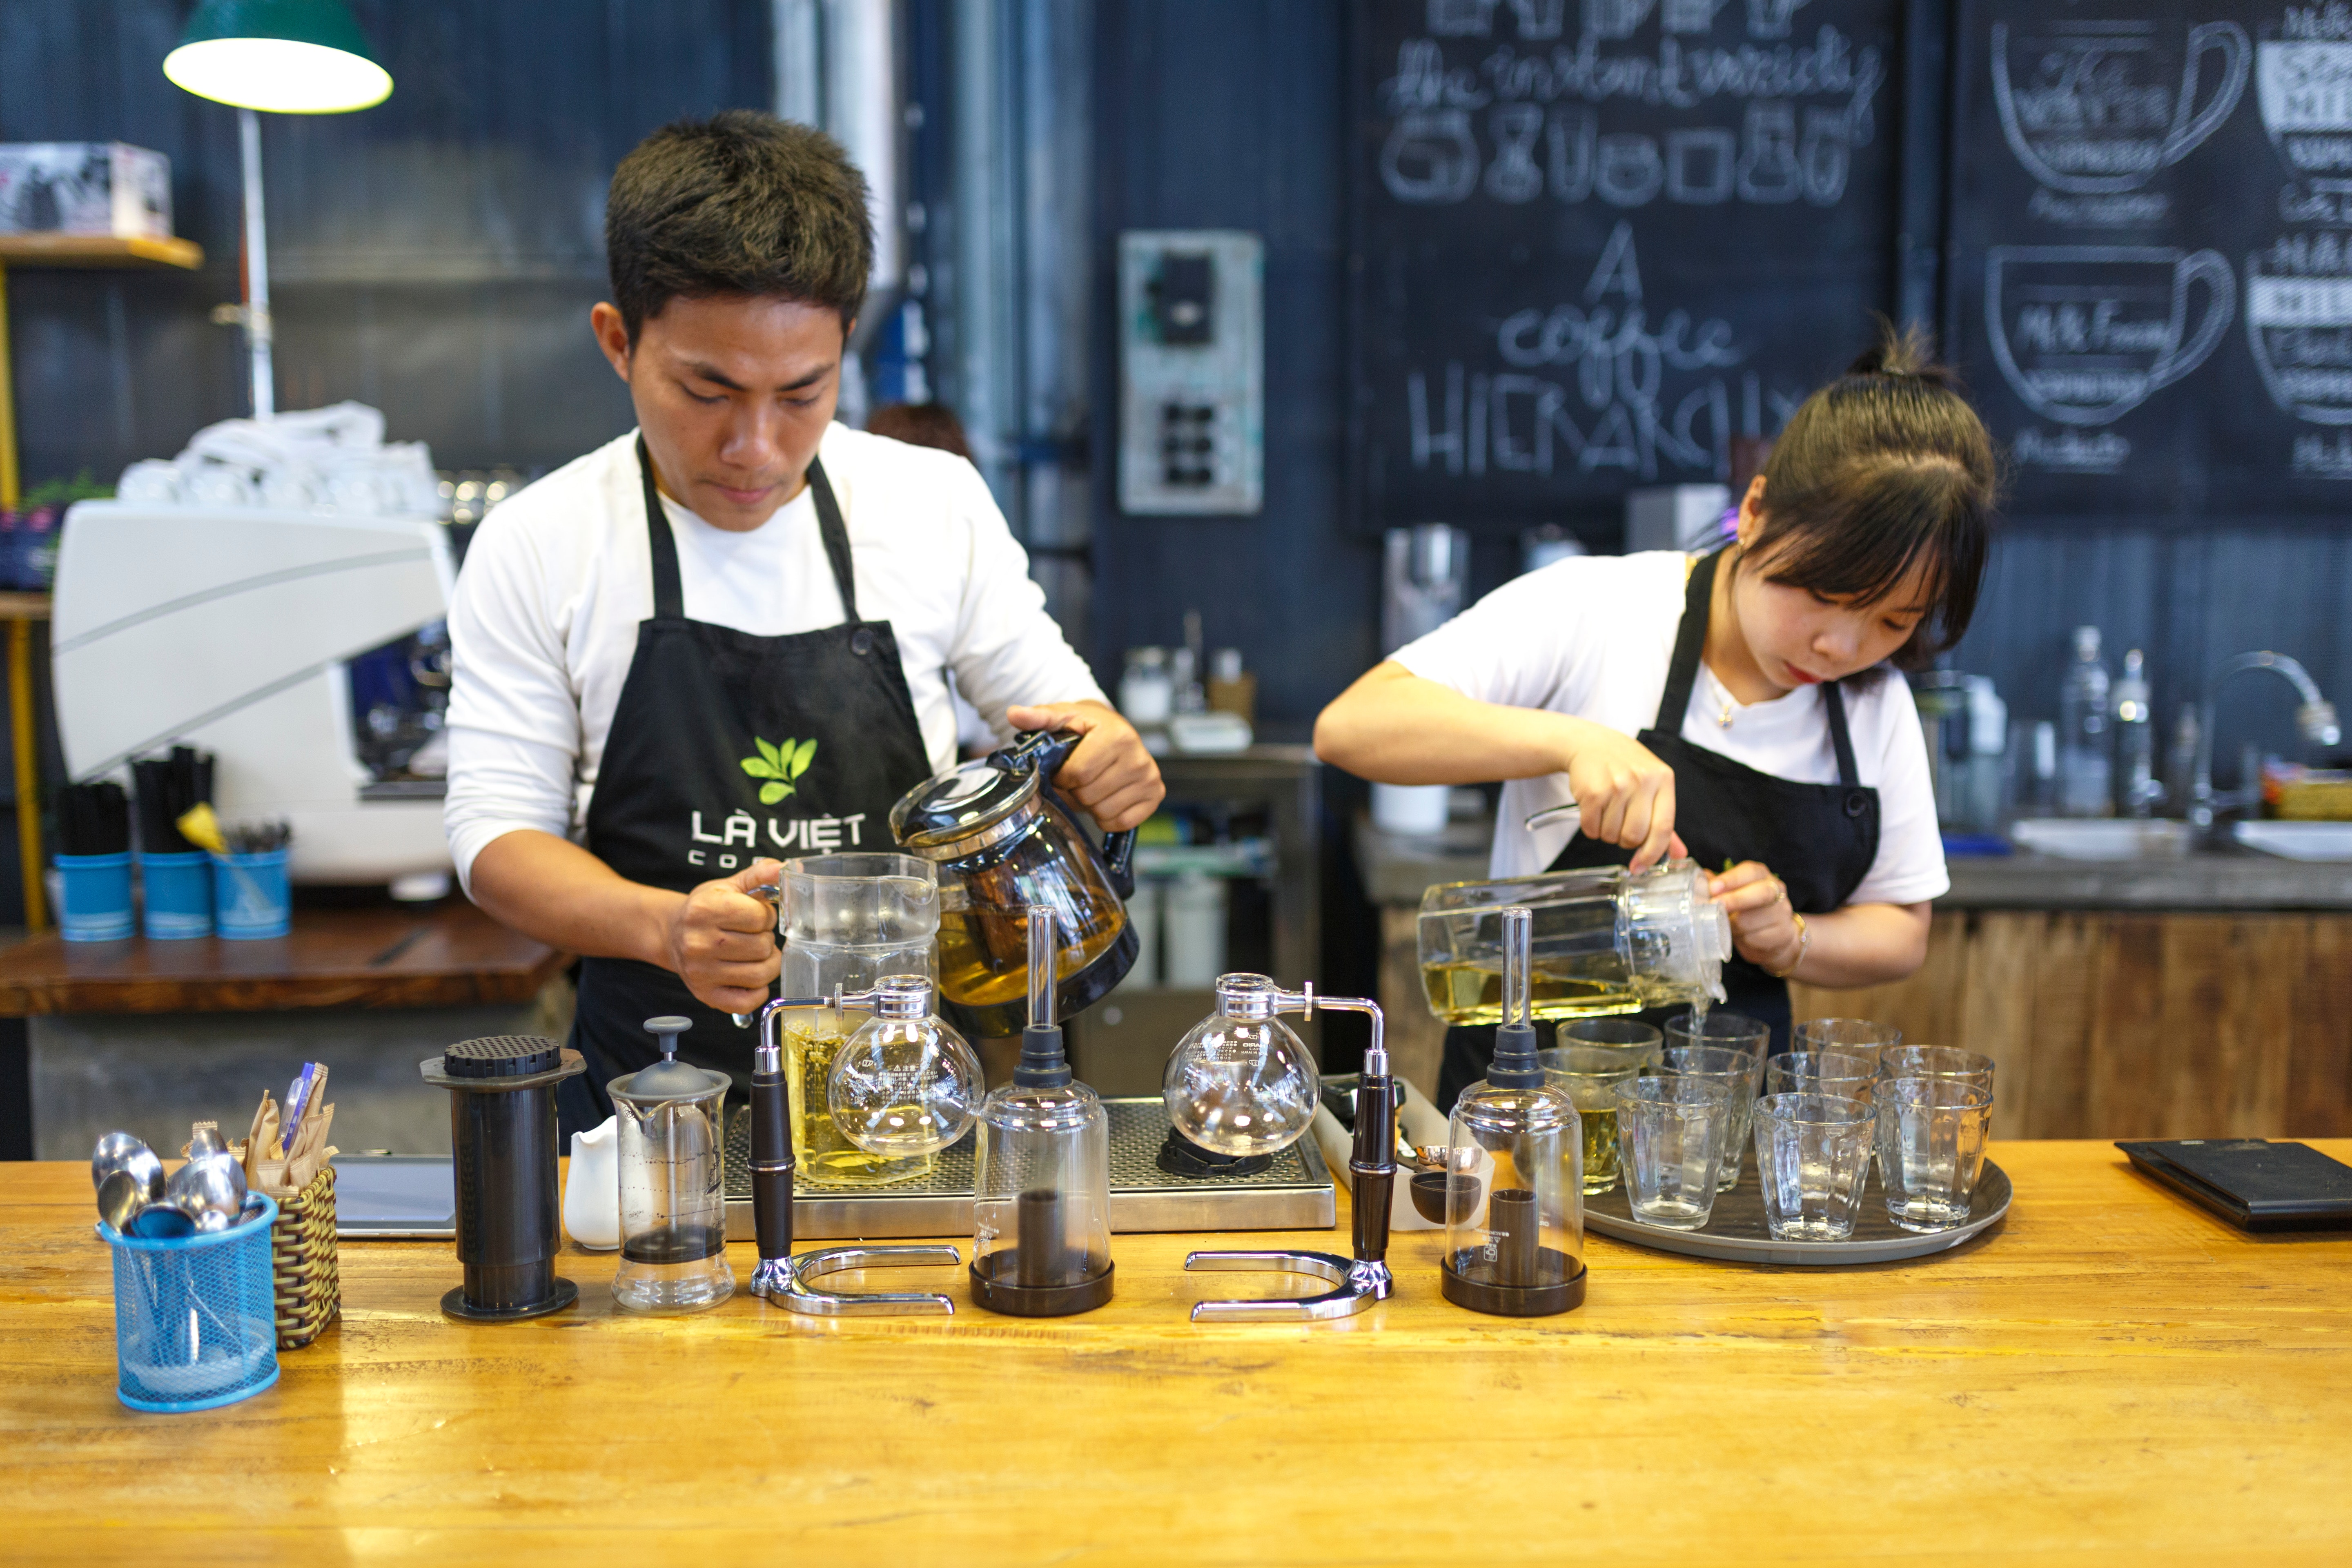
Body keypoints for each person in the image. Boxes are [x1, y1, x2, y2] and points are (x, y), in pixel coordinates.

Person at [444, 113, 1161, 1133]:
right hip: (652, 1096)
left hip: (909, 1086)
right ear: (618, 342)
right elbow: (495, 837)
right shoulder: (541, 540)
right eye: (707, 390)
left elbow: (1047, 706)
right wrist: (666, 926)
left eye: (802, 393)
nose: (755, 447)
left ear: (844, 348)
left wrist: (1105, 746)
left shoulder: (930, 501)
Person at [1314, 327, 1995, 1107]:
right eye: (1822, 594)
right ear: (1758, 510)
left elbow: (1904, 930)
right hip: (1531, 1114)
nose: (1840, 645)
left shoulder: (1877, 707)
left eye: (1893, 622)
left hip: (1724, 1142)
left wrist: (1794, 939)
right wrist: (1571, 741)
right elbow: (1351, 724)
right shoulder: (1601, 609)